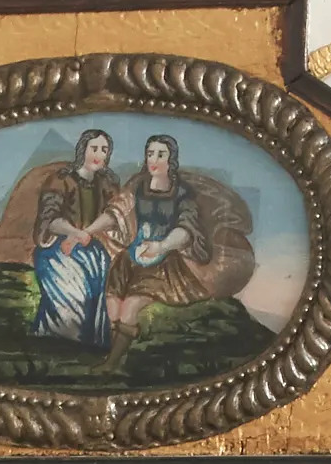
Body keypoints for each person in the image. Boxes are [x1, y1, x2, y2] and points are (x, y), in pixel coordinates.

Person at [97, 134, 212, 373]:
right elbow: (117, 212)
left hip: (163, 261)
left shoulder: (181, 193)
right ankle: (113, 356)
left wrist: (161, 246)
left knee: (130, 307)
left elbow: (186, 229)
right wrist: (88, 230)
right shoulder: (138, 186)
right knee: (112, 306)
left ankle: (110, 366)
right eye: (150, 154)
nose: (154, 159)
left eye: (161, 154)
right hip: (131, 258)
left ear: (171, 160)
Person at [28, 128, 122, 346]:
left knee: (96, 290)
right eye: (94, 148)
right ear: (83, 150)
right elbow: (49, 220)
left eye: (104, 150)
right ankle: (59, 342)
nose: (99, 154)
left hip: (92, 250)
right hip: (56, 249)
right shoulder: (61, 180)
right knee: (72, 301)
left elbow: (115, 216)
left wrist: (84, 234)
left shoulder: (107, 183)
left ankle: (88, 344)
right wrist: (74, 233)